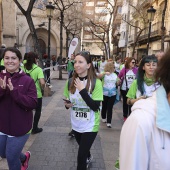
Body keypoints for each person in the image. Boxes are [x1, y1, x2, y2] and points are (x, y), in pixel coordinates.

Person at [119, 49, 170, 170]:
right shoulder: (140, 122)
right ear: (143, 67)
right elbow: (128, 100)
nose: (151, 67)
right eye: (148, 64)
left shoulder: (160, 84)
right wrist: (138, 101)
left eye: (154, 64)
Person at [63, 51, 103, 170]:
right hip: (76, 124)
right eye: (75, 62)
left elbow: (95, 107)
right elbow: (66, 103)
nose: (76, 65)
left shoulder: (96, 83)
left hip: (91, 125)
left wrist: (82, 90)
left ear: (88, 65)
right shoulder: (70, 81)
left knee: (81, 158)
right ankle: (88, 155)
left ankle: (85, 157)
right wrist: (67, 105)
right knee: (83, 149)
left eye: (80, 62)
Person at [0, 47, 37, 170]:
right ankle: (23, 157)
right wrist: (2, 90)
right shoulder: (0, 78)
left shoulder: (28, 80)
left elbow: (32, 103)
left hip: (20, 127)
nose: (10, 61)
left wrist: (14, 92)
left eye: (13, 58)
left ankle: (17, 159)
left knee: (11, 157)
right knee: (3, 153)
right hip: (2, 126)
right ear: (3, 60)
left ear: (20, 60)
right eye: (7, 58)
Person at [23, 52, 45, 134]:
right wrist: (43, 87)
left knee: (26, 110)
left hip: (25, 93)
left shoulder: (23, 68)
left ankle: (25, 126)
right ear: (35, 59)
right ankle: (34, 128)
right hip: (36, 94)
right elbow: (42, 82)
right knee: (38, 111)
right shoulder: (38, 69)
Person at [98, 62, 120, 128]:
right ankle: (103, 117)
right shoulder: (104, 74)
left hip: (113, 93)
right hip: (105, 93)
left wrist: (118, 82)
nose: (114, 68)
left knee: (110, 107)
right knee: (104, 106)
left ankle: (109, 122)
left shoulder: (115, 75)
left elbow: (117, 83)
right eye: (113, 67)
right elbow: (98, 76)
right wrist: (104, 73)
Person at [118, 57, 138, 121]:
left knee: (132, 103)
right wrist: (119, 81)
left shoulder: (136, 70)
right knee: (125, 103)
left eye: (134, 62)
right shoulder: (124, 70)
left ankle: (131, 116)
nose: (134, 64)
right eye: (132, 62)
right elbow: (119, 76)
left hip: (133, 89)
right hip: (125, 89)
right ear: (129, 63)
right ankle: (125, 115)